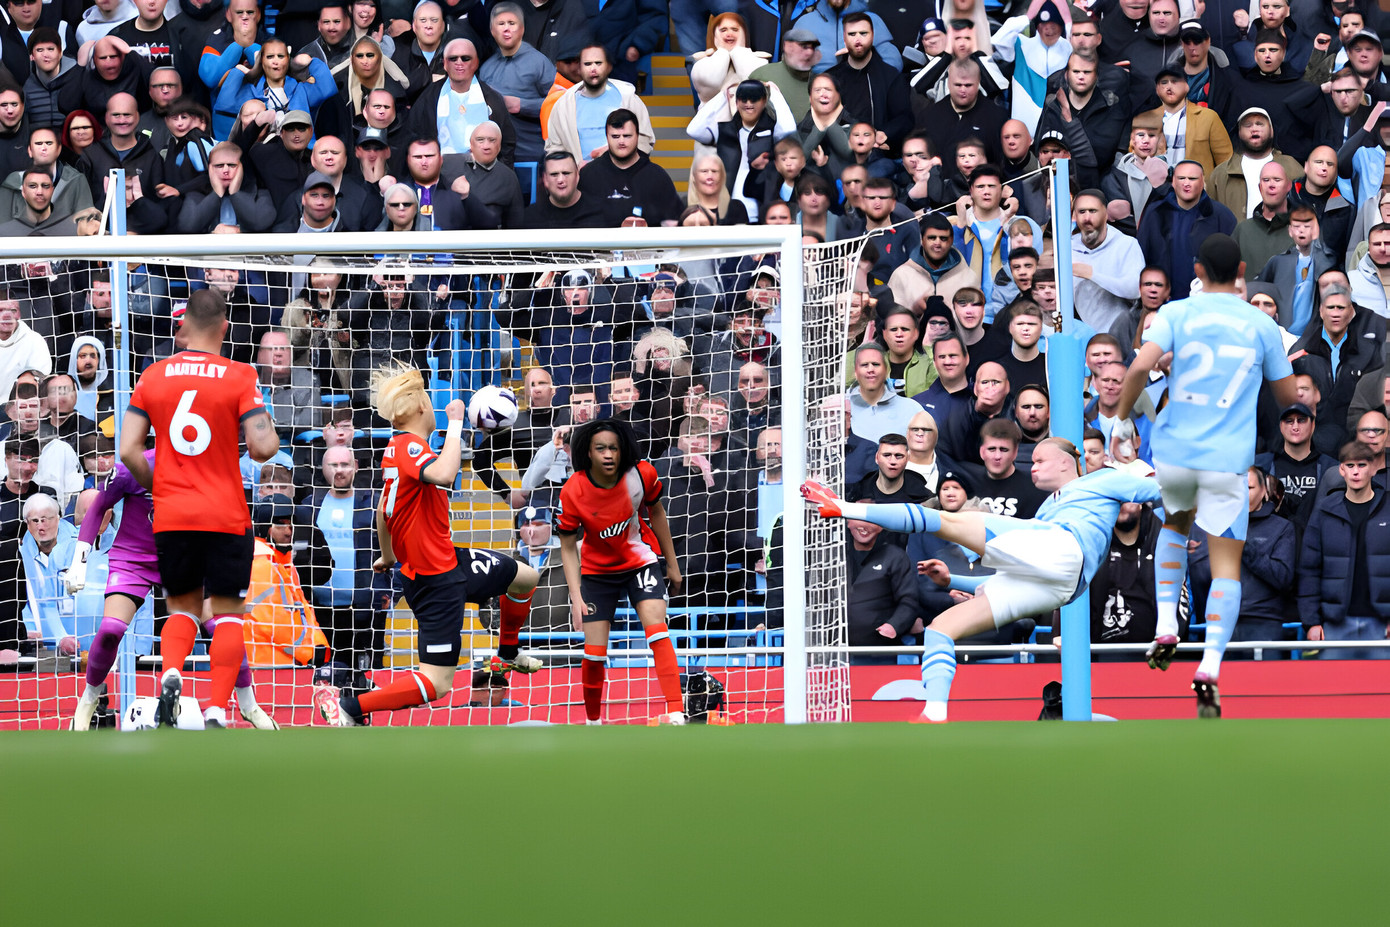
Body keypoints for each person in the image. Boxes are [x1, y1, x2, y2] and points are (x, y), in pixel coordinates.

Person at [802, 438, 1162, 721]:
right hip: (1062, 586)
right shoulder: (1045, 509)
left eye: (1038, 460)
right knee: (941, 628)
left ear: (1067, 462)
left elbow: (1160, 491)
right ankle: (935, 712)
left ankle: (843, 507)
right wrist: (950, 580)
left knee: (948, 520)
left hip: (1066, 549)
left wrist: (1160, 485)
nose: (1032, 468)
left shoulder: (1101, 479)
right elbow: (1008, 578)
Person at [1118, 233, 1297, 718]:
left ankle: (1163, 628)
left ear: (1197, 271)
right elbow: (1288, 398)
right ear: (1240, 270)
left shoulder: (1176, 313)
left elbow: (1138, 367)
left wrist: (1126, 411)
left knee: (1174, 528)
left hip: (1177, 449)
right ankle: (1212, 663)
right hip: (1228, 458)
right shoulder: (1260, 323)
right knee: (1225, 564)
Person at [316, 364, 542, 727]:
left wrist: (387, 556)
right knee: (436, 684)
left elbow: (381, 510)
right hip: (435, 580)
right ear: (421, 407)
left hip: (449, 561)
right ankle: (351, 707)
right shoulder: (408, 446)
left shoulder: (396, 449)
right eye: (431, 401)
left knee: (526, 577)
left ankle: (508, 654)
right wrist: (455, 424)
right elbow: (444, 474)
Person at [117, 288, 282, 728]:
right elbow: (263, 448)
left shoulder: (153, 375)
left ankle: (171, 671)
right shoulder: (240, 375)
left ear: (183, 325)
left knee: (182, 607)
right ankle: (215, 711)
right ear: (225, 326)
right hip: (226, 514)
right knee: (226, 613)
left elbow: (129, 450)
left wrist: (164, 486)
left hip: (174, 514)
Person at [556, 418, 686, 725]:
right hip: (597, 573)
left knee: (657, 627)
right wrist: (575, 598)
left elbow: (656, 511)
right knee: (595, 651)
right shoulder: (573, 491)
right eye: (600, 448)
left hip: (640, 561)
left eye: (613, 448)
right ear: (588, 452)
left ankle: (676, 711)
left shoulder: (643, 474)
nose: (608, 454)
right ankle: (592, 721)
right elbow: (567, 546)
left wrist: (673, 564)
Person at [1299, 441, 1390, 659]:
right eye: (1350, 466)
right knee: (1332, 691)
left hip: (1382, 626)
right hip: (1334, 625)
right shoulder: (1324, 510)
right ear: (1341, 469)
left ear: (1373, 468)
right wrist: (1311, 622)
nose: (1356, 472)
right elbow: (1309, 570)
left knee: (1381, 692)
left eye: (1361, 465)